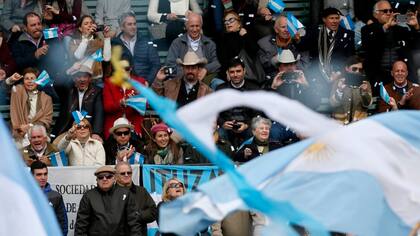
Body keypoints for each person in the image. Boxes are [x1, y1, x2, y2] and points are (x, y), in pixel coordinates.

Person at [361, 0, 420, 86]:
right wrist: (385, 27)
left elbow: (416, 45)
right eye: (385, 11)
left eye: (390, 11)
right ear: (375, 15)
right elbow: (369, 46)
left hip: (401, 74)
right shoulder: (367, 30)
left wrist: (416, 27)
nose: (389, 13)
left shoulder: (401, 30)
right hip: (379, 74)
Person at [298, 7, 355, 95]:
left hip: (339, 74)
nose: (335, 21)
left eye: (337, 18)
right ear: (324, 19)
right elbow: (302, 47)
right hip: (317, 74)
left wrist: (339, 72)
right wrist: (297, 38)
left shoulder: (348, 34)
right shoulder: (315, 32)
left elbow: (351, 57)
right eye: (331, 18)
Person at [75, 165, 142, 236]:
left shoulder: (125, 194)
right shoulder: (89, 196)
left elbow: (134, 223)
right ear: (97, 180)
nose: (104, 179)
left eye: (108, 176)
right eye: (101, 177)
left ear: (114, 178)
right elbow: (81, 226)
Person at [216, 57, 260, 149]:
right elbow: (214, 112)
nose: (235, 75)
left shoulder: (254, 89)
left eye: (238, 71)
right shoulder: (221, 89)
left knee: (254, 132)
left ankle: (247, 158)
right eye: (232, 72)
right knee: (219, 133)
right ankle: (227, 159)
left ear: (244, 71)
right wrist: (223, 123)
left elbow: (257, 113)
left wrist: (247, 124)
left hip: (247, 126)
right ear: (227, 73)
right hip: (227, 127)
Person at [166, 12, 221, 83]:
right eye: (192, 26)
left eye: (197, 26)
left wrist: (206, 69)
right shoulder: (177, 43)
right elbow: (170, 64)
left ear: (201, 26)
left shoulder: (209, 43)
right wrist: (188, 73)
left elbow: (217, 62)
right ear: (186, 26)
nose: (195, 29)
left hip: (204, 80)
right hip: (182, 80)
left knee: (218, 83)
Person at [54, 65, 104, 141]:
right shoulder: (68, 89)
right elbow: (57, 84)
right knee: (58, 145)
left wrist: (96, 133)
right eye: (79, 77)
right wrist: (69, 71)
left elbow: (99, 113)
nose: (82, 79)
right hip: (69, 130)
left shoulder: (97, 91)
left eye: (85, 77)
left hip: (88, 130)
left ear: (90, 79)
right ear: (74, 79)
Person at [10, 12, 67, 78]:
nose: (37, 27)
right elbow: (18, 64)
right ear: (25, 28)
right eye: (33, 25)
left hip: (50, 77)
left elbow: (61, 55)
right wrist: (35, 55)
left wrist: (49, 51)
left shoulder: (50, 33)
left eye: (39, 24)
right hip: (29, 80)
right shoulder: (18, 40)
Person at [111, 12, 160, 84]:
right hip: (123, 85)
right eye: (129, 24)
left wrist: (147, 81)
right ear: (122, 27)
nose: (133, 27)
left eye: (134, 24)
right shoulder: (115, 44)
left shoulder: (146, 42)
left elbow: (156, 64)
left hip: (144, 84)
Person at [103, 59, 147, 139]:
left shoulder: (140, 82)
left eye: (126, 69)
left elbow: (144, 106)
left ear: (131, 69)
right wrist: (119, 103)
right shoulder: (109, 82)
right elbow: (107, 107)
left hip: (133, 124)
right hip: (114, 125)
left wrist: (139, 97)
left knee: (135, 142)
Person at [10, 67, 53, 148]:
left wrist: (30, 127)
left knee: (43, 143)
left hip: (39, 133)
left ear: (37, 81)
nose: (30, 81)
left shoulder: (46, 98)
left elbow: (47, 120)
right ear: (23, 81)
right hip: (20, 133)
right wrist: (11, 80)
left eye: (32, 78)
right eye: (27, 78)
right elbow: (7, 88)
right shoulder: (18, 92)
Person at [217, 10, 262, 82]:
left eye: (231, 20)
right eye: (226, 21)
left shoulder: (246, 34)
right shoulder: (222, 39)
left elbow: (255, 50)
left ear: (239, 23)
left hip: (249, 74)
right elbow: (223, 59)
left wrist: (245, 36)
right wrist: (227, 72)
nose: (228, 23)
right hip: (231, 73)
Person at [115, 162, 157, 236]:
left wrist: (138, 215)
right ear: (115, 176)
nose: (126, 175)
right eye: (122, 173)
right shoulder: (111, 193)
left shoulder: (141, 191)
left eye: (129, 172)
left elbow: (153, 212)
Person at [329, 56, 372, 124]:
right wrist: (339, 90)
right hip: (340, 123)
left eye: (360, 70)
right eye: (354, 69)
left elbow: (368, 105)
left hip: (358, 124)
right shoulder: (338, 82)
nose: (357, 71)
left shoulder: (365, 83)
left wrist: (364, 93)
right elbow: (333, 103)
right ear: (347, 68)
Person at [68, 15, 112, 80]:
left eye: (91, 23)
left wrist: (107, 38)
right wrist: (86, 38)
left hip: (96, 78)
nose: (89, 25)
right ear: (80, 28)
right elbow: (78, 56)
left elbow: (107, 58)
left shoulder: (98, 41)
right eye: (86, 24)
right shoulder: (74, 41)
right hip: (80, 78)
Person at [31, 161, 68, 235]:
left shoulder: (56, 196)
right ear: (31, 175)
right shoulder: (25, 194)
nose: (43, 177)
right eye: (39, 174)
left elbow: (62, 223)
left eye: (45, 174)